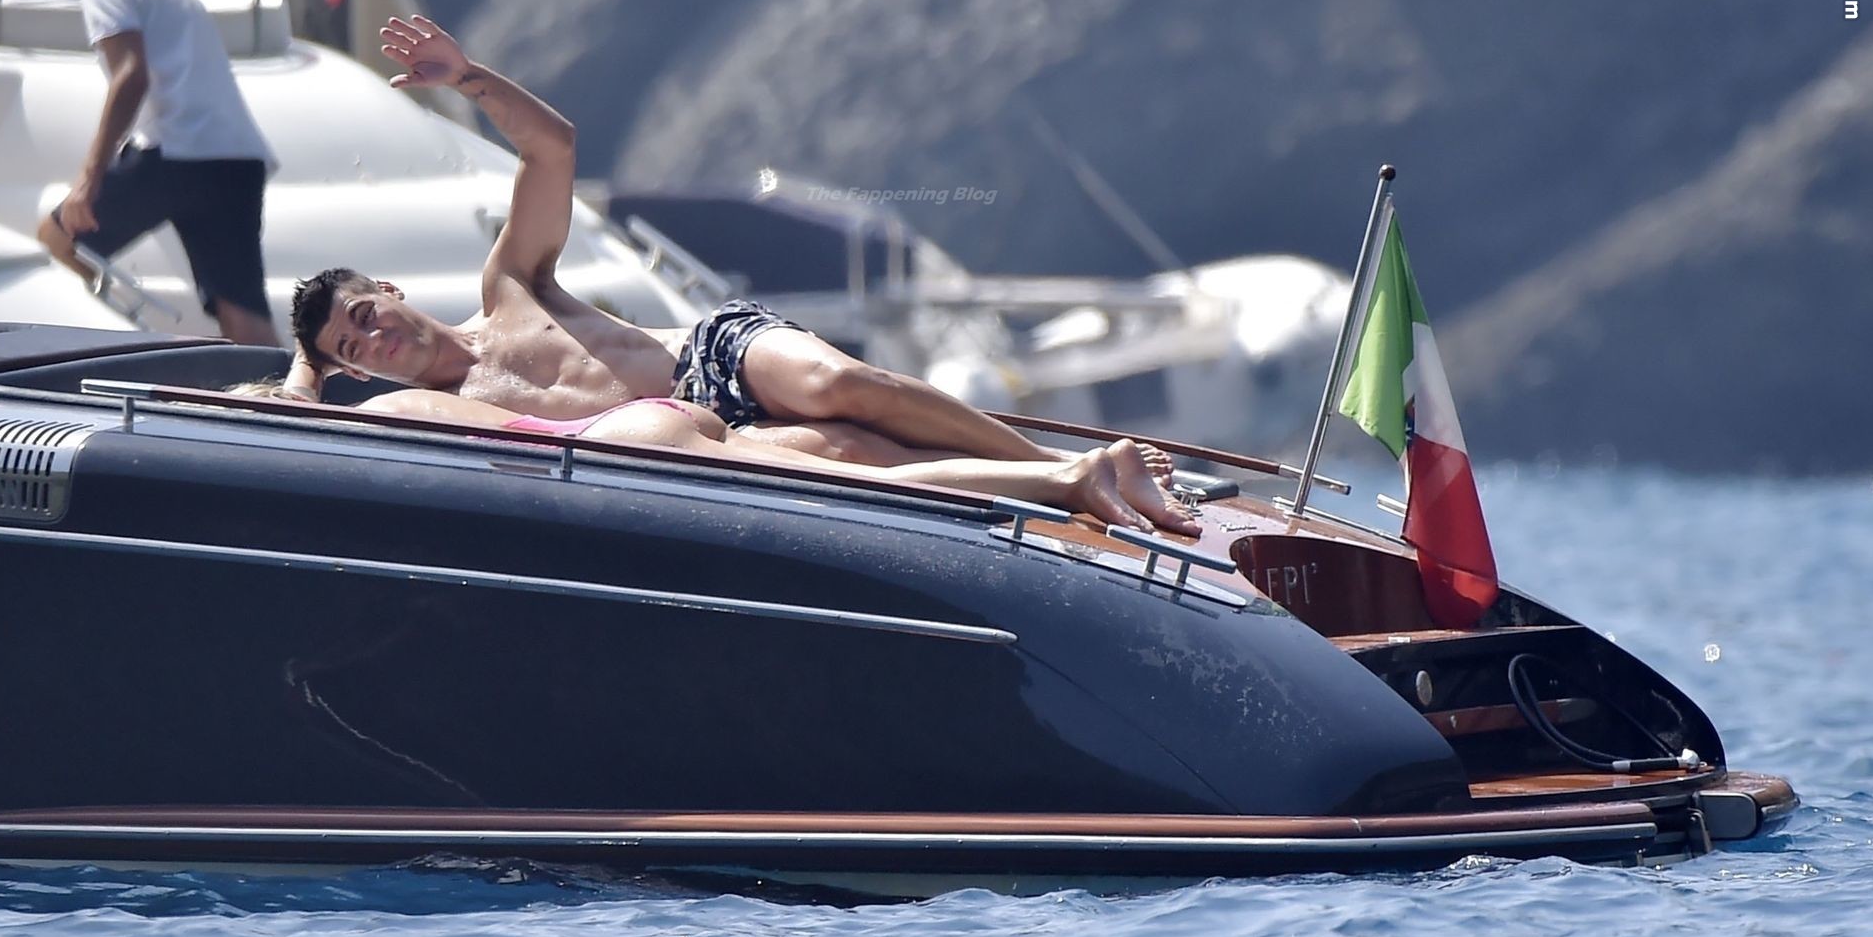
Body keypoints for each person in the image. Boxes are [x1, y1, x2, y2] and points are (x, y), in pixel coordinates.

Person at [285, 14, 1179, 493]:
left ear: (389, 290)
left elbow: (552, 148)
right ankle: (1073, 484)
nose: (375, 341)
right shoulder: (446, 416)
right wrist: (306, 359)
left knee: (838, 384)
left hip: (711, 355)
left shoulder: (509, 288)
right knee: (851, 457)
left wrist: (470, 80)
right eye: (352, 351)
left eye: (365, 315)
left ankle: (1043, 459)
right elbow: (292, 419)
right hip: (703, 435)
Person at [228, 379, 1196, 535]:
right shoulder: (390, 396)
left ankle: (1070, 476)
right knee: (864, 469)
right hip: (636, 427)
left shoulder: (375, 417)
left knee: (875, 488)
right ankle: (1063, 472)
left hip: (624, 455)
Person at [14, 0, 280, 346]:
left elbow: (130, 76)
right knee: (242, 315)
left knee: (57, 238)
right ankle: (286, 391)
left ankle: (108, 346)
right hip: (234, 157)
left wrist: (88, 180)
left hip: (177, 153)